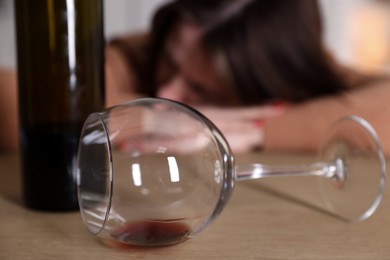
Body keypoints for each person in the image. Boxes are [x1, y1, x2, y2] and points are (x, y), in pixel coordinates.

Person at [2, 0, 390, 155]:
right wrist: (156, 117)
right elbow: (13, 99)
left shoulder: (303, 72)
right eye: (170, 64)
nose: (168, 90)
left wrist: (252, 132)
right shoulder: (135, 54)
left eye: (201, 89)